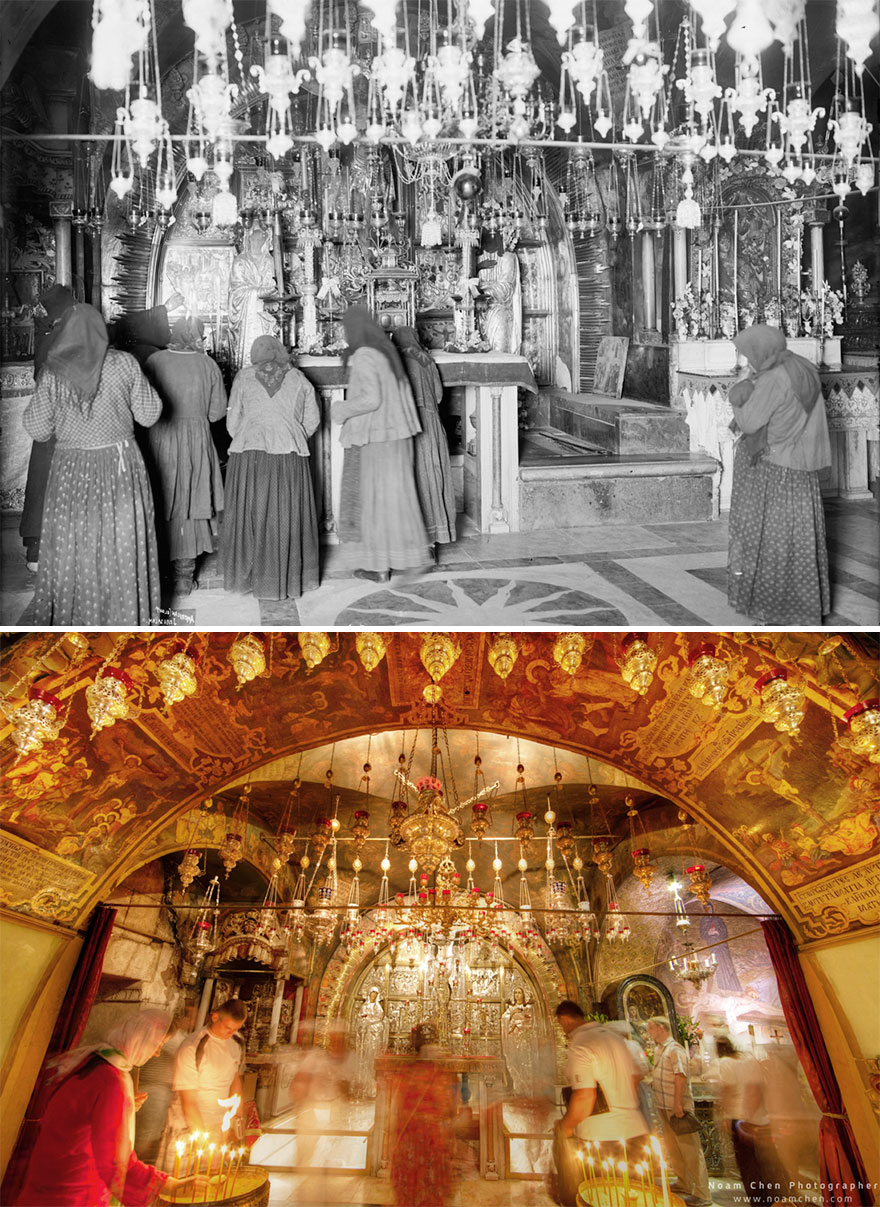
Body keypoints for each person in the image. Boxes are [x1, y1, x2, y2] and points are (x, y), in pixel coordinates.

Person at [22, 303, 162, 625]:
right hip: (119, 466)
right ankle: (124, 615)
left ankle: (79, 618)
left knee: (76, 543)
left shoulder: (53, 372)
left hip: (72, 471)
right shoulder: (124, 364)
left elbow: (37, 428)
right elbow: (150, 414)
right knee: (121, 542)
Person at [15, 1008, 206, 1206]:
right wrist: (168, 1184)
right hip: (74, 1192)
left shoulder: (92, 1060)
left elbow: (82, 1113)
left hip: (46, 1181)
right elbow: (114, 1162)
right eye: (157, 1045)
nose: (157, 1054)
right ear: (138, 1039)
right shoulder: (111, 1082)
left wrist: (122, 1109)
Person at [727, 324, 831, 625]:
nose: (747, 361)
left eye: (748, 354)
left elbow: (749, 423)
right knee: (798, 538)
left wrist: (738, 394)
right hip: (801, 469)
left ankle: (772, 606)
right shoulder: (801, 367)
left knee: (771, 539)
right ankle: (802, 605)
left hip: (775, 467)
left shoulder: (773, 378)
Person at [222, 335, 320, 601]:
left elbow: (232, 422)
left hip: (249, 451)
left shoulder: (243, 377)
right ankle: (284, 580)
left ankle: (248, 577)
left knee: (250, 513)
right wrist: (288, 434)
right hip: (287, 452)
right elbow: (312, 421)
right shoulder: (299, 378)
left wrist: (251, 433)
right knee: (284, 515)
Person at [335, 306, 430, 583]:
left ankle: (377, 567)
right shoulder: (386, 351)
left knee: (374, 502)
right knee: (396, 500)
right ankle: (402, 560)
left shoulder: (365, 355)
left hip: (378, 436)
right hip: (398, 434)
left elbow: (371, 399)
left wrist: (341, 410)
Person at [142, 315, 226, 599]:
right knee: (192, 502)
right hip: (196, 441)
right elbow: (216, 413)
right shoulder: (207, 364)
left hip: (161, 439)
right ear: (195, 338)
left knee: (164, 500)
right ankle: (184, 577)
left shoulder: (154, 362)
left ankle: (161, 574)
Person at [19, 283, 75, 571]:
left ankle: (37, 550)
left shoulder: (47, 335)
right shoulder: (60, 339)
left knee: (43, 484)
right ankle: (40, 550)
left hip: (47, 425)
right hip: (59, 426)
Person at [555, 1001, 649, 1159]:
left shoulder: (581, 1045)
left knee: (602, 1184)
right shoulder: (615, 1038)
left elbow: (585, 1097)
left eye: (560, 1024)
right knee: (635, 1183)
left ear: (564, 1019)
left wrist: (565, 1127)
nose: (562, 1030)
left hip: (603, 1138)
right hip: (635, 1129)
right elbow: (635, 1079)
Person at [391, 326, 457, 546]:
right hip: (431, 424)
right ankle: (434, 538)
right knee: (432, 477)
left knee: (412, 480)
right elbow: (438, 396)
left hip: (408, 424)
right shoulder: (427, 360)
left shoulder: (395, 361)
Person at [646, 1015, 712, 1207]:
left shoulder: (675, 1050)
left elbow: (680, 1077)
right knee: (674, 1147)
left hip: (677, 1107)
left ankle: (702, 1193)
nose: (649, 1033)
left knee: (690, 1149)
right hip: (663, 1105)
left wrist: (678, 1104)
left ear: (660, 1028)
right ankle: (684, 1183)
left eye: (651, 1029)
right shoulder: (660, 1050)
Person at [716, 1035, 788, 1207]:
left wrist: (734, 1118)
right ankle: (780, 1200)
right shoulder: (748, 1058)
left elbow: (735, 1090)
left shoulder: (726, 1062)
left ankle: (762, 1203)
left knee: (751, 1168)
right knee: (768, 1165)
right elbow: (758, 1088)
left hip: (743, 1117)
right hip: (761, 1118)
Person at [390, 1023, 457, 1207]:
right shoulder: (436, 1074)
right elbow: (448, 1108)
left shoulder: (411, 1074)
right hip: (422, 1142)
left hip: (423, 1143)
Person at [172, 998, 247, 1143]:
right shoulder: (192, 1047)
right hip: (188, 1125)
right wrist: (201, 1140)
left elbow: (235, 1078)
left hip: (219, 1124)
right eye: (228, 1027)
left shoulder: (237, 1041)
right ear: (215, 1017)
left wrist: (236, 1117)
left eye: (236, 1029)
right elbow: (188, 1101)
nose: (231, 1033)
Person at [228, 226, 277, 370]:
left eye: (260, 239)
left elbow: (273, 285)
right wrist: (258, 292)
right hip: (248, 314)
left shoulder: (270, 261)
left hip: (266, 313)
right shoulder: (240, 261)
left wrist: (269, 291)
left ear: (265, 241)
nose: (256, 242)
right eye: (253, 238)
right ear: (248, 240)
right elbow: (237, 291)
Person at [477, 231, 522, 354]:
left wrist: (482, 293)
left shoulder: (507, 257)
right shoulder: (476, 258)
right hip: (478, 311)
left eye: (493, 234)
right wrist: (478, 267)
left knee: (499, 351)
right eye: (487, 235)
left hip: (499, 309)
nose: (490, 239)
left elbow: (506, 289)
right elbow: (465, 282)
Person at [353, 987, 389, 1099]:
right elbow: (360, 1021)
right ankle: (364, 1087)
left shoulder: (378, 1008)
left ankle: (373, 1087)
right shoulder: (364, 1007)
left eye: (375, 994)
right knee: (366, 1061)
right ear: (368, 994)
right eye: (371, 993)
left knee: (375, 1060)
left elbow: (381, 1020)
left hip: (375, 1037)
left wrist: (371, 1022)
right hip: (367, 1037)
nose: (373, 995)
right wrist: (365, 1024)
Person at [500, 987, 537, 1097]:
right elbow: (504, 1019)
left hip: (523, 1039)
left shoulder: (528, 1008)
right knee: (513, 1061)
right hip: (512, 1038)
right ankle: (517, 1088)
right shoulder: (511, 1008)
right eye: (515, 993)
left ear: (523, 994)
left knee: (524, 1062)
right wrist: (512, 1014)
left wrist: (517, 1024)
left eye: (519, 993)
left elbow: (530, 1023)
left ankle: (526, 1089)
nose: (517, 995)